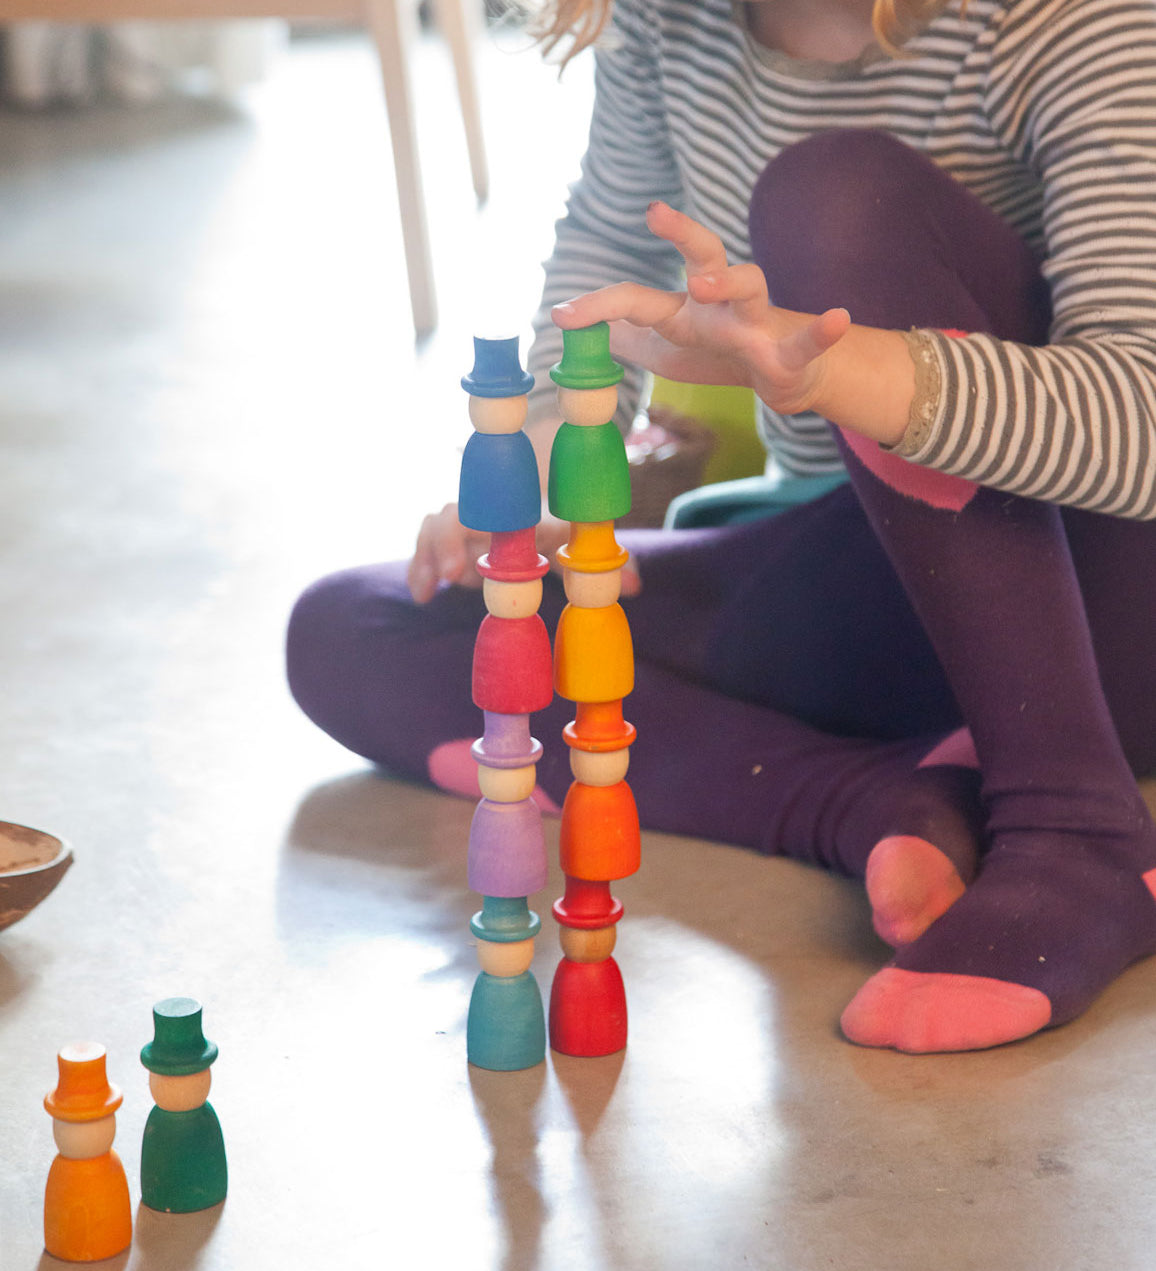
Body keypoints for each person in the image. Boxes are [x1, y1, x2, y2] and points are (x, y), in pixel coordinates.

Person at [286, 0, 1156, 1054]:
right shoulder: (670, 23)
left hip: (1100, 590)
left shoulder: (1070, 20)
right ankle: (881, 801)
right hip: (848, 566)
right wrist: (558, 480)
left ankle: (1072, 824)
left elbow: (1137, 420)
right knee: (368, 624)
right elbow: (608, 254)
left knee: (832, 196)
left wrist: (840, 368)